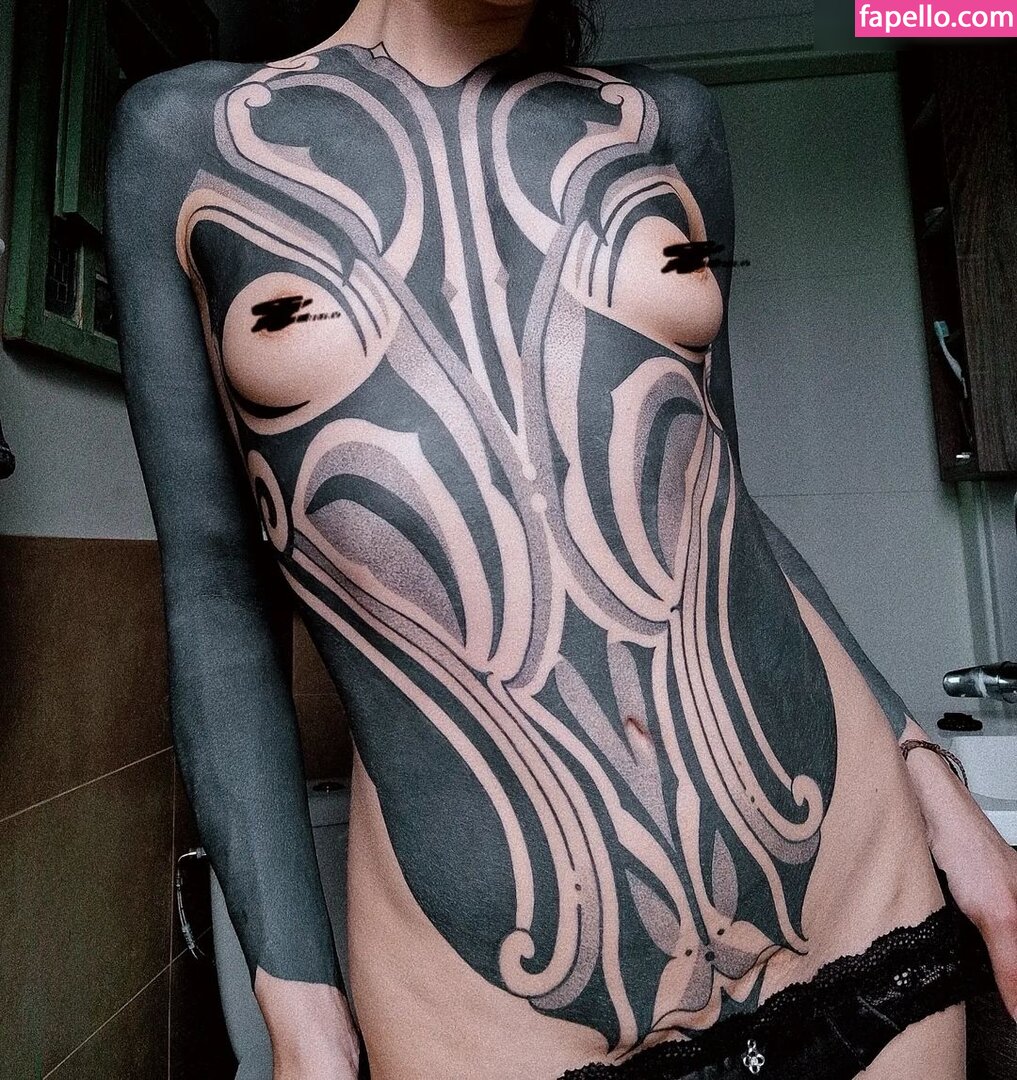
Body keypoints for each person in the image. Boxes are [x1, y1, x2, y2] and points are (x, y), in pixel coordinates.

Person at [103, 1, 1017, 1077]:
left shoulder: (665, 122)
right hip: (488, 1007)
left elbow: (719, 498)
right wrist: (299, 1010)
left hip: (854, 898)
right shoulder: (186, 138)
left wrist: (934, 782)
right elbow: (217, 592)